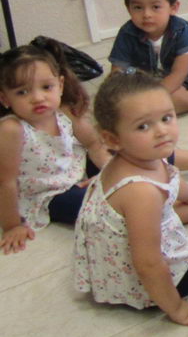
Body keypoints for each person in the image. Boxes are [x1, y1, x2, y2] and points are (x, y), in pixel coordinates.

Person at [72, 71, 188, 327]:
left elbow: (170, 176)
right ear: (112, 139)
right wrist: (177, 308)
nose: (161, 132)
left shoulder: (140, 154)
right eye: (144, 126)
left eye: (167, 118)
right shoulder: (140, 192)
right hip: (146, 282)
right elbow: (148, 262)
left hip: (123, 256)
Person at [0, 39, 108, 253]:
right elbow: (6, 182)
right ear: (5, 99)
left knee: (136, 155)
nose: (38, 98)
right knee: (102, 210)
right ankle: (184, 211)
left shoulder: (63, 111)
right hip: (50, 194)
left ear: (60, 85)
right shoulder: (11, 129)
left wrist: (109, 173)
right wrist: (12, 225)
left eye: (46, 87)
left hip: (76, 172)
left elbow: (94, 144)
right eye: (22, 92)